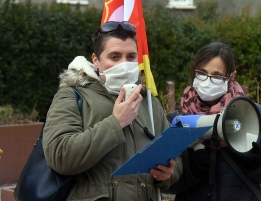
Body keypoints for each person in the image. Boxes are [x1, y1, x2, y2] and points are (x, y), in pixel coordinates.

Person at [42, 21, 182, 200]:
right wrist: (115, 123)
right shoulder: (72, 96)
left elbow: (175, 158)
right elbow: (59, 156)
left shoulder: (150, 103)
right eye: (114, 57)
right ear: (96, 60)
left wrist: (169, 172)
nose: (124, 64)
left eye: (131, 57)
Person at [168, 42, 261, 200]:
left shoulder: (254, 114)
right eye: (202, 73)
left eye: (217, 76)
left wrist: (257, 163)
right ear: (194, 71)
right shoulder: (177, 120)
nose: (207, 81)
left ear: (231, 76)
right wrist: (193, 172)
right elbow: (164, 184)